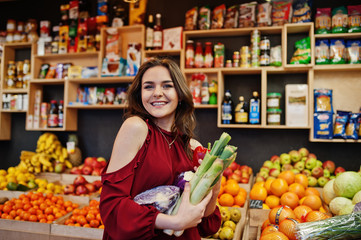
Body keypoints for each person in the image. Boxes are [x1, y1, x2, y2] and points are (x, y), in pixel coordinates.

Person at [100, 58, 221, 240]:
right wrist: (175, 222)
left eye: (167, 86)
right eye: (148, 87)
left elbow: (205, 222)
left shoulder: (192, 147)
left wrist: (215, 184)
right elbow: (111, 207)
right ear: (139, 94)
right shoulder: (136, 128)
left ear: (179, 94)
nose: (157, 93)